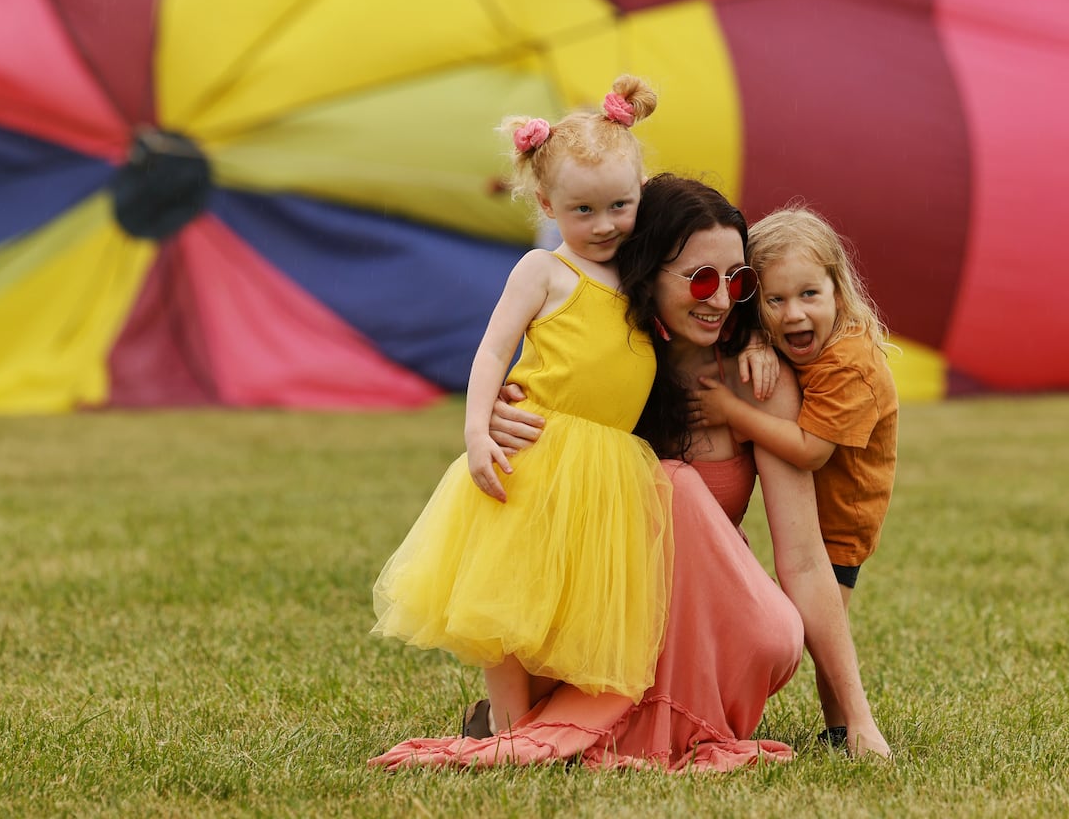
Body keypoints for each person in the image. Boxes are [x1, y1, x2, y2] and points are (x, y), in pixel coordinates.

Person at [371, 174, 891, 771]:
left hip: (712, 620)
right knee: (671, 482)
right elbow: (519, 531)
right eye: (699, 278)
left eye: (737, 280)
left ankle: (581, 720)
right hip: (602, 615)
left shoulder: (758, 380)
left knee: (773, 629)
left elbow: (801, 558)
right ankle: (539, 716)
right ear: (648, 272)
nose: (720, 299)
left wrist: (857, 720)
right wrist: (492, 410)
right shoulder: (612, 369)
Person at [371, 76, 676, 739]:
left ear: (640, 194)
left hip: (610, 468)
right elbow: (491, 353)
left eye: (619, 206)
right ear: (546, 203)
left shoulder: (643, 275)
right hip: (535, 453)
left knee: (577, 604)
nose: (604, 226)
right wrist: (478, 430)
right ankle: (509, 724)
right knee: (508, 601)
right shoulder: (544, 270)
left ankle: (558, 719)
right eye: (582, 211)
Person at [692, 204, 898, 748]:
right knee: (817, 622)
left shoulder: (849, 364)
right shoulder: (785, 339)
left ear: (838, 290)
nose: (791, 315)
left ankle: (845, 726)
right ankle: (839, 726)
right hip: (820, 510)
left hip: (841, 521)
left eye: (809, 295)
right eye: (774, 301)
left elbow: (809, 452)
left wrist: (734, 413)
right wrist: (755, 341)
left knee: (825, 628)